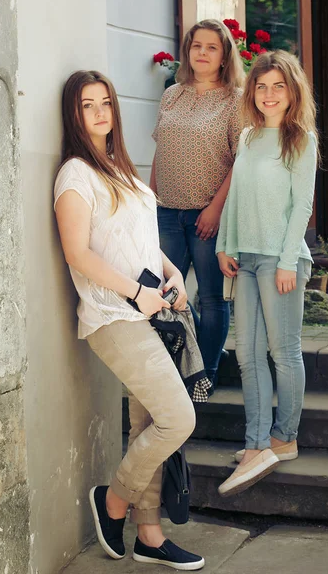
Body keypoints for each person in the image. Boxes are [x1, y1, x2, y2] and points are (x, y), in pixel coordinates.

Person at [54, 70, 205, 570]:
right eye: (86, 105)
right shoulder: (76, 173)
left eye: (105, 103)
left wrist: (172, 274)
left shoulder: (120, 168)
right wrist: (137, 292)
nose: (99, 112)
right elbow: (78, 253)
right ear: (73, 115)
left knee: (148, 422)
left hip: (150, 308)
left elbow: (141, 240)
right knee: (178, 418)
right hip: (113, 315)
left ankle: (149, 535)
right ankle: (113, 501)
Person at [216, 50, 318, 497]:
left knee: (283, 350)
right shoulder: (247, 137)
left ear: (292, 91)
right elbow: (236, 197)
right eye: (262, 86)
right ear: (252, 91)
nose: (269, 94)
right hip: (245, 257)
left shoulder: (301, 139)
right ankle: (256, 443)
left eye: (278, 86)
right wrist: (224, 245)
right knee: (248, 355)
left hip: (281, 260)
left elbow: (303, 207)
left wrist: (286, 262)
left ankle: (284, 437)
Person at [151, 19, 245, 393]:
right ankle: (173, 371)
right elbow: (161, 150)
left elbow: (242, 160)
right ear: (188, 52)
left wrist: (216, 210)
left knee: (210, 296)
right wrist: (150, 201)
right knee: (165, 295)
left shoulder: (236, 99)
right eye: (196, 46)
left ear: (224, 57)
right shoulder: (172, 94)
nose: (202, 53)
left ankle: (204, 376)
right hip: (166, 213)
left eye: (212, 47)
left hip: (207, 214)